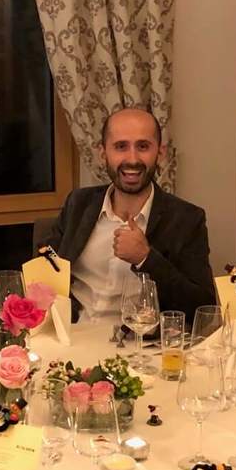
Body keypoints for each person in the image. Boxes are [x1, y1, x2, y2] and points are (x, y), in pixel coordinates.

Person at [41, 106, 212, 320]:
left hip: (139, 339)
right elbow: (43, 266)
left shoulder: (187, 219)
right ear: (103, 153)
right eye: (120, 146)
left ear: (160, 153)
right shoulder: (79, 203)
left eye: (143, 146)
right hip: (72, 333)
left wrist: (145, 258)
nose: (132, 159)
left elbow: (203, 308)